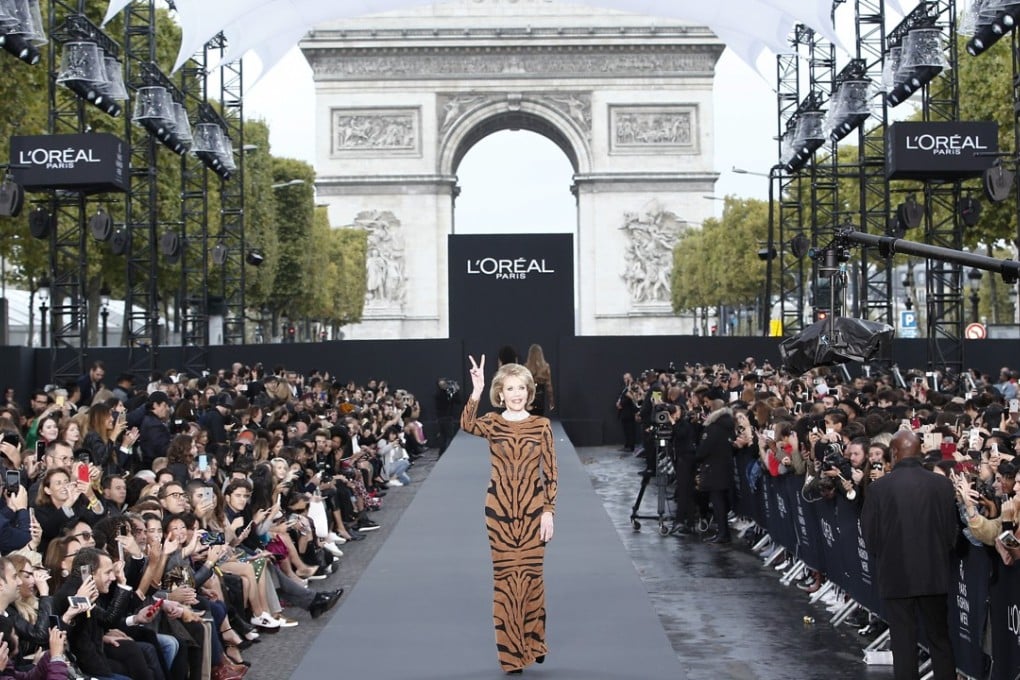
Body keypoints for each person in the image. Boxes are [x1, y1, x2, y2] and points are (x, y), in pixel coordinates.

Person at [460, 355, 557, 675]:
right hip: (499, 513)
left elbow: (551, 473)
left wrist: (548, 511)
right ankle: (511, 655)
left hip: (532, 513)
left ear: (529, 392)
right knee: (505, 583)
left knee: (530, 580)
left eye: (521, 388)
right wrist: (476, 390)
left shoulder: (541, 425)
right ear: (499, 393)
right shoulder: (492, 422)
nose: (516, 393)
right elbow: (466, 425)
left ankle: (535, 641)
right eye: (509, 388)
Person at [861, 429, 958, 680]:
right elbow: (952, 531)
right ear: (920, 451)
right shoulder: (942, 484)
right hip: (934, 574)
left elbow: (869, 534)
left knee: (903, 643)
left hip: (895, 575)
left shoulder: (879, 488)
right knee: (940, 640)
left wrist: (883, 557)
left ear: (893, 453)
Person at [524, 344, 554, 416]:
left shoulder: (526, 367)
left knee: (529, 420)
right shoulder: (545, 367)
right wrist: (551, 401)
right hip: (540, 396)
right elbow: (549, 386)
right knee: (539, 419)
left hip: (529, 396)